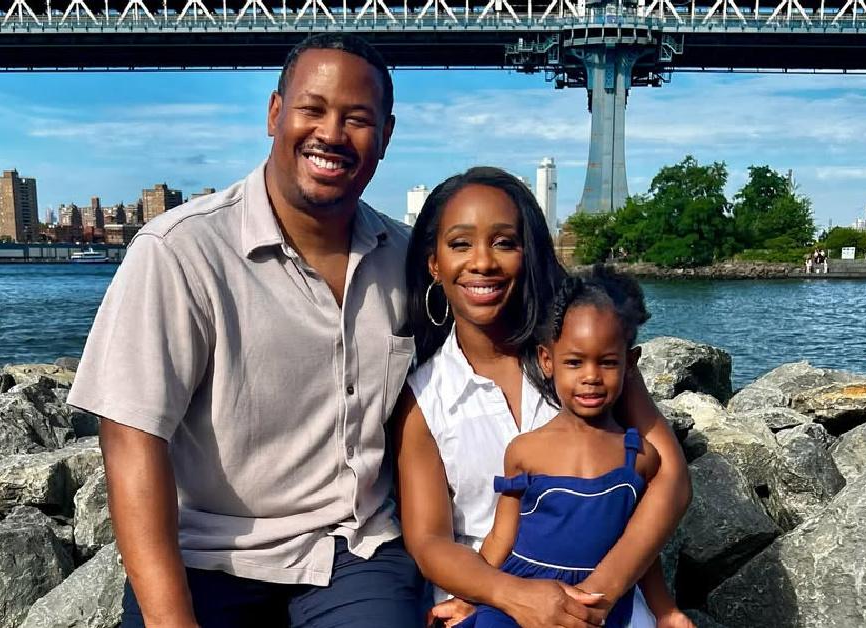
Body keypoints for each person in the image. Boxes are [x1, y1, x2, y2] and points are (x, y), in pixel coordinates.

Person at [68, 34, 426, 627]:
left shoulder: (409, 259)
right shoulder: (180, 252)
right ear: (274, 113)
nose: (332, 135)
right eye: (312, 109)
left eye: (358, 119)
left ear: (386, 136)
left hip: (354, 549)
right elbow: (131, 438)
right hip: (210, 553)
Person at [394, 167, 693, 628]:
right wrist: (512, 595)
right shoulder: (424, 397)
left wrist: (595, 597)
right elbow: (430, 541)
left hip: (606, 597)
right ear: (434, 263)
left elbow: (671, 479)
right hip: (487, 596)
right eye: (459, 244)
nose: (483, 262)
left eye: (505, 242)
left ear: (529, 253)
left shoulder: (583, 354)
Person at [458, 266, 662, 628]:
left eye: (608, 362)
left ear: (630, 363)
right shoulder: (525, 450)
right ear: (547, 361)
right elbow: (501, 536)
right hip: (521, 594)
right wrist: (466, 599)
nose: (590, 376)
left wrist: (667, 611)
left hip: (598, 604)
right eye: (574, 361)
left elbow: (643, 548)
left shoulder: (641, 457)